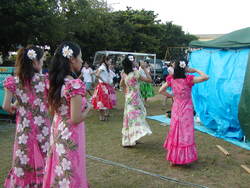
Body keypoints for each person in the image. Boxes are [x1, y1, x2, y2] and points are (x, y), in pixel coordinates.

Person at [43, 41, 91, 188]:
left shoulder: (54, 81)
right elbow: (76, 118)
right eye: (80, 57)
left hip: (57, 129)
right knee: (71, 168)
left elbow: (52, 109)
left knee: (59, 167)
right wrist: (88, 108)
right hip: (71, 133)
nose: (82, 61)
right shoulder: (74, 84)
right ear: (71, 58)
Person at [3, 46, 51, 187]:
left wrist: (15, 107)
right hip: (43, 127)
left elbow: (6, 106)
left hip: (24, 128)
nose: (42, 63)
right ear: (35, 62)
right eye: (42, 60)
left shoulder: (14, 81)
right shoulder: (45, 80)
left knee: (24, 157)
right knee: (44, 155)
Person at [159, 61, 209, 166]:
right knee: (185, 133)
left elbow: (160, 90)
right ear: (185, 68)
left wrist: (171, 95)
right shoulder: (188, 79)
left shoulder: (171, 79)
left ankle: (173, 159)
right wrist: (195, 70)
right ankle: (184, 158)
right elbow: (205, 77)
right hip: (186, 110)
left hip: (176, 108)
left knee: (176, 132)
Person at [120, 55, 153, 147]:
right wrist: (144, 68)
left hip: (129, 97)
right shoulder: (136, 73)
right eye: (134, 60)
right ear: (131, 63)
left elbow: (121, 84)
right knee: (137, 118)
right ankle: (133, 138)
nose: (135, 62)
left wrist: (125, 92)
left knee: (129, 119)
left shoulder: (124, 73)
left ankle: (130, 140)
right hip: (135, 98)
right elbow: (150, 80)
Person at [92, 56, 113, 121]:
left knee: (103, 101)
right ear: (106, 61)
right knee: (102, 101)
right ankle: (102, 117)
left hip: (104, 86)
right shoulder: (103, 67)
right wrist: (103, 80)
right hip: (102, 86)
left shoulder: (104, 67)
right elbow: (97, 74)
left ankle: (103, 117)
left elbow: (96, 73)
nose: (110, 62)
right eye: (109, 61)